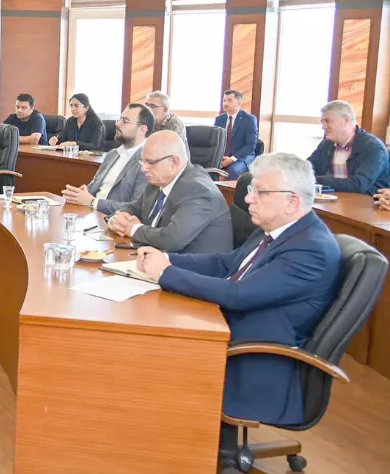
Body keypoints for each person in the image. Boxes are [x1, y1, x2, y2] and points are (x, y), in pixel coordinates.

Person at [135, 153, 341, 443]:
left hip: (254, 360)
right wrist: (168, 258)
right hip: (231, 332)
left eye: (260, 192)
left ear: (292, 202)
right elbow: (225, 264)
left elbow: (239, 295)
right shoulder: (277, 230)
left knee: (149, 348)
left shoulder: (310, 249)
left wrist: (166, 273)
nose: (247, 199)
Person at [107, 130, 233, 254]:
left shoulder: (199, 191)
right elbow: (134, 208)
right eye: (142, 161)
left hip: (188, 265)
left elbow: (172, 239)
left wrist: (133, 229)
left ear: (174, 163)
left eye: (150, 162)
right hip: (154, 256)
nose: (143, 169)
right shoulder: (158, 181)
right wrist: (116, 219)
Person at [61, 103, 153, 215]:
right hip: (90, 214)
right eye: (119, 119)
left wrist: (93, 202)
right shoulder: (112, 154)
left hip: (113, 220)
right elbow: (93, 186)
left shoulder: (148, 163)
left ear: (142, 129)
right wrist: (80, 194)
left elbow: (136, 208)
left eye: (125, 121)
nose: (117, 124)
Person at [307, 100, 390, 195]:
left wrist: (314, 179)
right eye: (322, 122)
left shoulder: (373, 148)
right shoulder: (327, 144)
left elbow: (359, 184)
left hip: (368, 202)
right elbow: (308, 168)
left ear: (345, 120)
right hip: (335, 200)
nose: (323, 126)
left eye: (327, 121)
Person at [214, 90, 259, 180]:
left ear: (238, 103)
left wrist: (232, 159)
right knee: (206, 169)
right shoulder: (219, 119)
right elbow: (215, 141)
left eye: (229, 100)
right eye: (224, 100)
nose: (225, 103)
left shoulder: (249, 119)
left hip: (243, 156)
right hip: (223, 157)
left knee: (233, 170)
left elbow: (250, 145)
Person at [145, 90, 189, 156]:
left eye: (152, 106)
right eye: (146, 105)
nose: (147, 109)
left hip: (174, 160)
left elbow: (167, 151)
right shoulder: (149, 122)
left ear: (165, 109)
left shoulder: (175, 124)